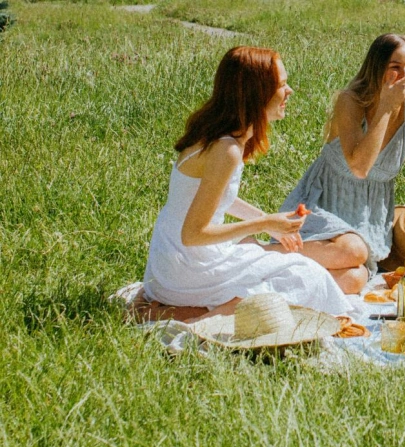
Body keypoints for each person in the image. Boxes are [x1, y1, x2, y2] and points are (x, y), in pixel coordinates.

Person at [143, 46, 355, 320]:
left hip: (171, 261)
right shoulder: (226, 149)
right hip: (184, 267)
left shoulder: (223, 137)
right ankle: (191, 319)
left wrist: (270, 223)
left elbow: (217, 198)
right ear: (257, 93)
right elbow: (193, 234)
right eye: (281, 85)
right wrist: (265, 224)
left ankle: (185, 310)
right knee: (307, 275)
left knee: (260, 250)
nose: (289, 91)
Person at [276, 33, 405, 293]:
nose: (404, 76)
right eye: (395, 68)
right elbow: (360, 167)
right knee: (351, 252)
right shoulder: (350, 102)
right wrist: (387, 107)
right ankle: (267, 253)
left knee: (355, 279)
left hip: (368, 219)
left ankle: (274, 287)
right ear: (377, 70)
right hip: (324, 206)